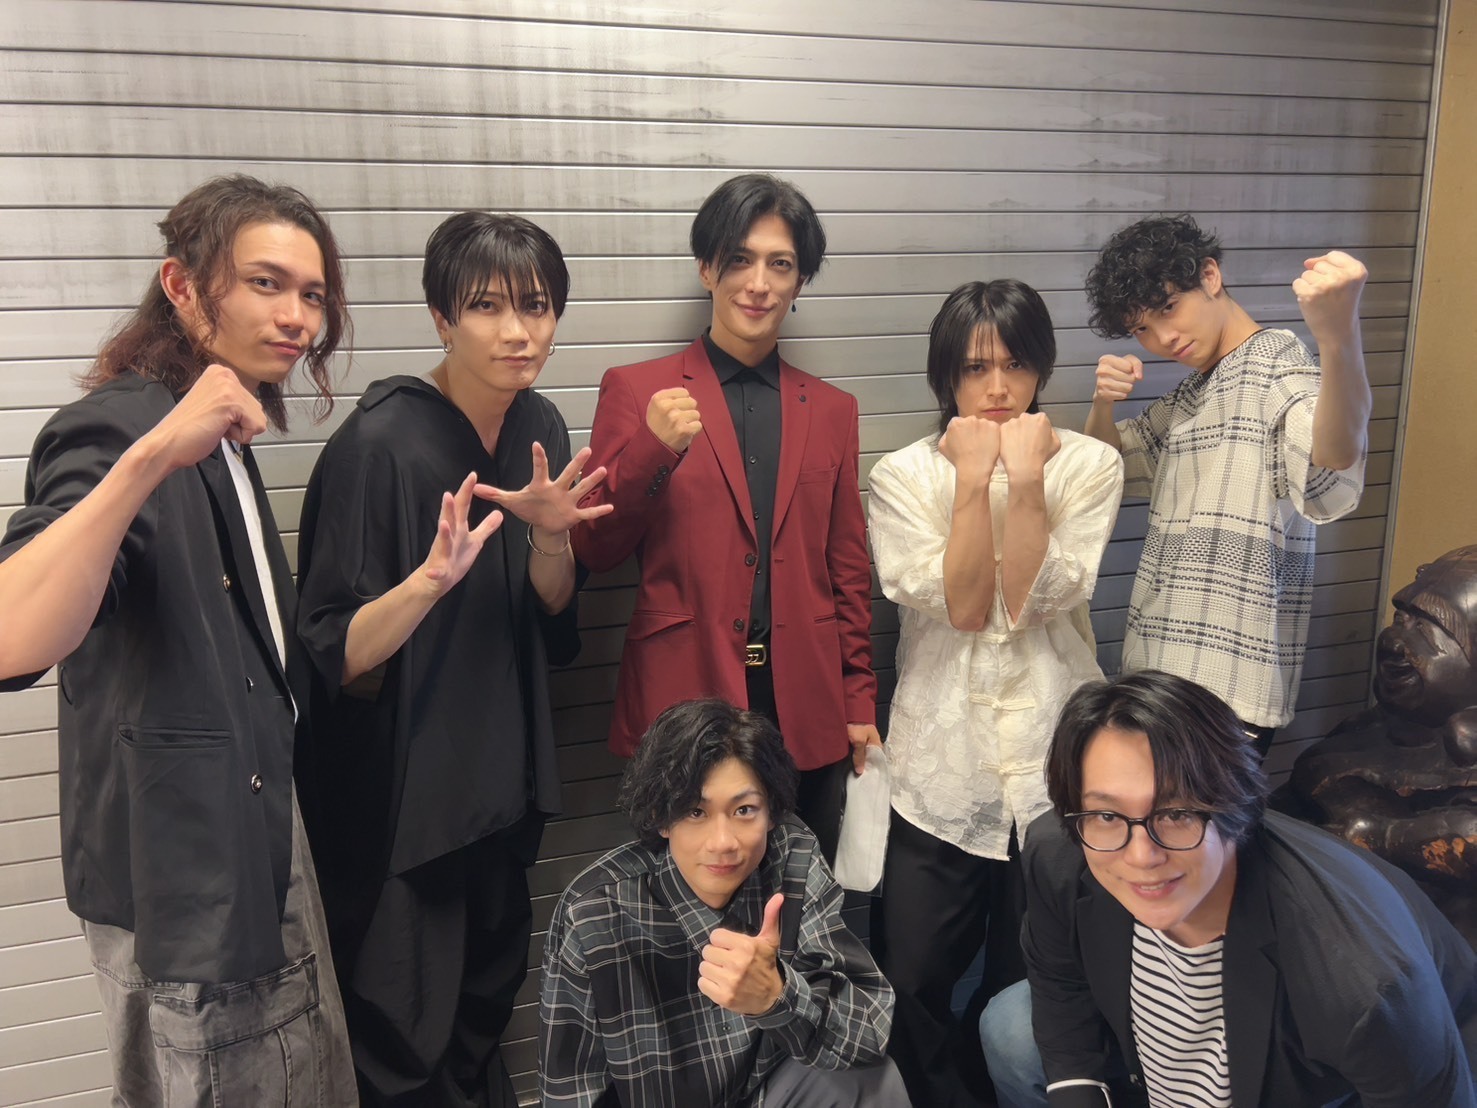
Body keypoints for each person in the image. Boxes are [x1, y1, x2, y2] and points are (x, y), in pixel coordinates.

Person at [0, 175, 356, 1104]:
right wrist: (153, 452)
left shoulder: (226, 433)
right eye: (266, 283)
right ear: (183, 285)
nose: (297, 317)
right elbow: (11, 636)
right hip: (190, 887)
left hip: (249, 846)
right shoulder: (123, 424)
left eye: (312, 294)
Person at [295, 211, 608, 1105]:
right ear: (441, 318)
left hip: (502, 784)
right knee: (402, 1035)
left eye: (536, 306)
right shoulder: (378, 447)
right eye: (486, 307)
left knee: (483, 1009)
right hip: (408, 805)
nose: (518, 331)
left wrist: (552, 537)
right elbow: (333, 656)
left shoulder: (538, 424)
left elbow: (552, 612)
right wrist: (428, 584)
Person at [979, 670, 1477, 1108]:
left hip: (1337, 1079)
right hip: (1154, 1058)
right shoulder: (1061, 849)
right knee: (1011, 1027)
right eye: (1108, 814)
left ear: (1234, 807)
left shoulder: (1362, 982)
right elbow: (1060, 978)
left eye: (1177, 813)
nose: (1141, 856)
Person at [867, 281, 1123, 1108]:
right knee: (912, 976)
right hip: (939, 773)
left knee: (1028, 981)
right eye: (975, 368)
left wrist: (1030, 479)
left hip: (1054, 762)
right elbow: (967, 605)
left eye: (1015, 365)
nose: (998, 388)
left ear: (1041, 366)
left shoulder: (1089, 464)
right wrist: (975, 482)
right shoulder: (902, 475)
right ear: (945, 375)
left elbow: (1036, 598)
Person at [572, 173, 877, 862]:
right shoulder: (638, 391)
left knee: (799, 889)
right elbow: (596, 549)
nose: (758, 284)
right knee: (684, 894)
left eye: (781, 264)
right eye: (739, 259)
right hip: (682, 689)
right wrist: (652, 450)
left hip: (803, 698)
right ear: (706, 267)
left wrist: (858, 698)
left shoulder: (833, 411)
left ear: (800, 282)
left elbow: (847, 567)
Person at [1083, 215, 1370, 755]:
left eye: (1168, 308)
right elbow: (1105, 468)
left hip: (1226, 692)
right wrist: (1103, 403)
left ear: (1210, 276)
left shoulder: (1276, 364)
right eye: (1142, 329)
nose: (1162, 338)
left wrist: (1339, 336)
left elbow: (1333, 458)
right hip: (1163, 675)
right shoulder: (1195, 389)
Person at [539, 698, 909, 1107]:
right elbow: (570, 1089)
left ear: (772, 812)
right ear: (661, 818)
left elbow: (869, 1030)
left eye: (745, 810)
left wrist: (778, 998)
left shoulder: (791, 856)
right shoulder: (593, 911)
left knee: (874, 1082)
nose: (723, 843)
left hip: (772, 1090)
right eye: (695, 812)